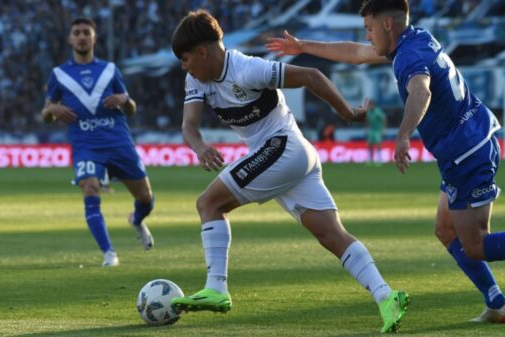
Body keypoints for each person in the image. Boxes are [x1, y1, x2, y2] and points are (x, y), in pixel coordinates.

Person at [266, 0, 505, 324]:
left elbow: (421, 91)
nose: (368, 37)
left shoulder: (407, 57)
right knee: (445, 230)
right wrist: (304, 46)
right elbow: (358, 54)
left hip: (467, 152)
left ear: (387, 24)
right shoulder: (417, 38)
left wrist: (403, 134)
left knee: (474, 244)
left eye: (370, 29)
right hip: (468, 142)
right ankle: (497, 302)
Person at [169, 9, 409, 333]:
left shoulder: (246, 69)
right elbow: (189, 126)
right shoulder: (196, 79)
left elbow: (312, 76)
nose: (184, 68)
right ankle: (386, 296)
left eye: (185, 59)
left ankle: (217, 288)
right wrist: (199, 148)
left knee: (208, 204)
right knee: (330, 234)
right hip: (289, 156)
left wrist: (348, 114)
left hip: (283, 148)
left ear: (202, 52)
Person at [41, 17, 155, 267]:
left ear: (94, 38)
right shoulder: (59, 75)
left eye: (86, 32)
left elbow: (132, 109)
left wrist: (124, 100)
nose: (82, 36)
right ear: (70, 39)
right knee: (90, 188)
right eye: (77, 33)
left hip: (119, 143)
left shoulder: (110, 70)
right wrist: (54, 110)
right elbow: (45, 114)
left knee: (146, 199)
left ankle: (136, 220)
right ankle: (109, 253)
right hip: (86, 146)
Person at [366, 100, 386, 165]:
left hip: (378, 130)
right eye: (369, 105)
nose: (370, 106)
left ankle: (379, 159)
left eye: (371, 105)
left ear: (373, 105)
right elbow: (367, 120)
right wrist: (366, 128)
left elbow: (384, 119)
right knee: (369, 145)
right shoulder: (368, 112)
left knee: (378, 145)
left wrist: (383, 129)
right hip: (371, 130)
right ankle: (370, 159)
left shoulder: (378, 111)